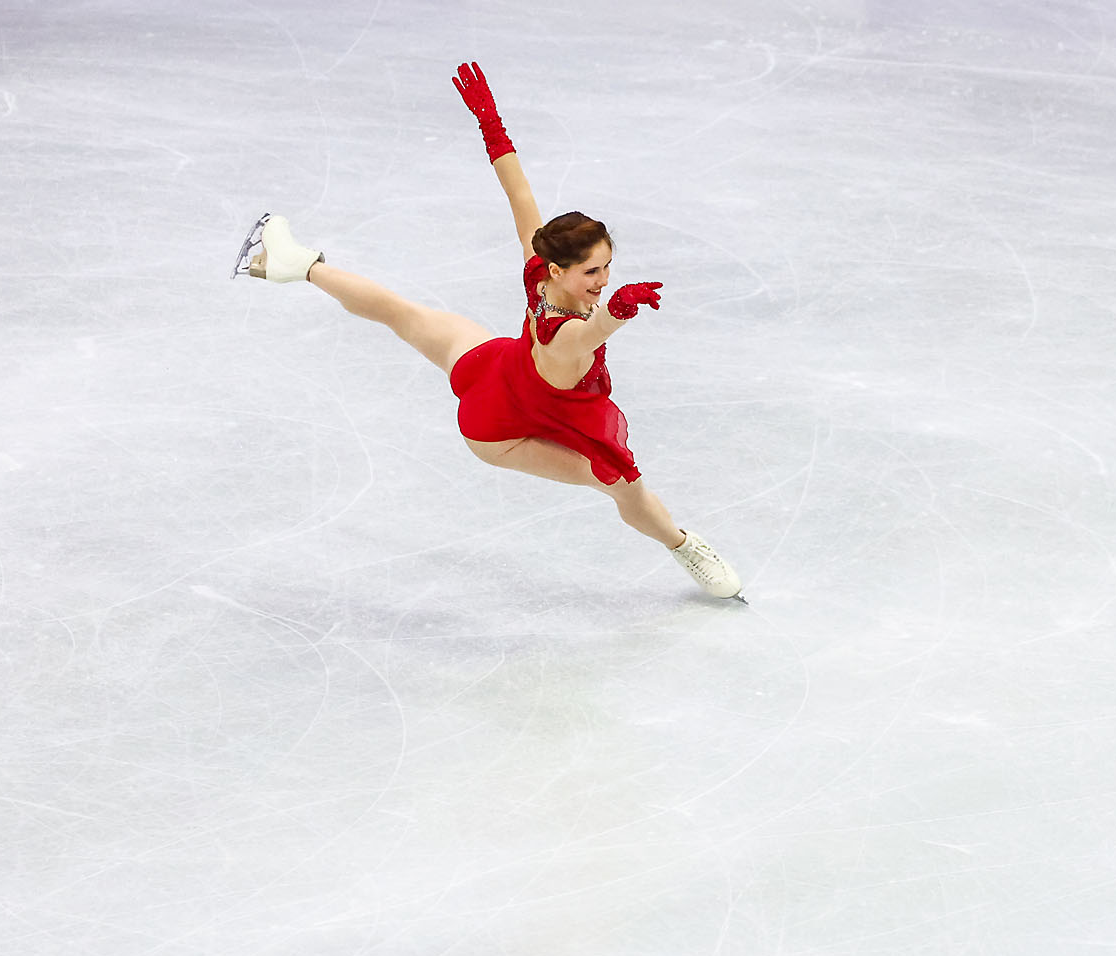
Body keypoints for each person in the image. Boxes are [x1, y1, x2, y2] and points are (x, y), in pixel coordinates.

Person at [235, 61, 742, 600]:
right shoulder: (562, 334)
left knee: (403, 316)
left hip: (496, 365)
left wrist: (492, 126)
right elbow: (590, 333)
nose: (602, 280)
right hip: (500, 427)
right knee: (618, 483)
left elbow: (519, 194)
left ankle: (293, 263)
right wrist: (617, 308)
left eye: (607, 269)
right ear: (560, 271)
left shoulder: (537, 266)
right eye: (592, 272)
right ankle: (683, 544)